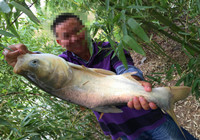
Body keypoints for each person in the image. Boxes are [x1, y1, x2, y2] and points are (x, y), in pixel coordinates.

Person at [3, 13, 197, 140]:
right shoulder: (62, 64)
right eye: (66, 36)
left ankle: (165, 98)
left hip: (151, 119)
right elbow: (47, 72)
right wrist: (24, 57)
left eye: (77, 31)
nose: (74, 38)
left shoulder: (108, 48)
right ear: (59, 41)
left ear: (85, 29)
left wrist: (140, 86)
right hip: (121, 132)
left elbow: (126, 68)